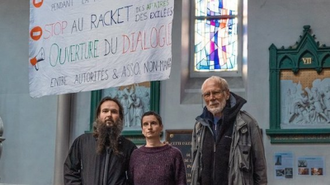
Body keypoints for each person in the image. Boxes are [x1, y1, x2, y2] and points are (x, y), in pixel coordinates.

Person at [191, 76, 267, 185]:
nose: (211, 98)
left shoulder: (246, 123)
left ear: (227, 94)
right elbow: (195, 164)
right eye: (207, 94)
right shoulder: (199, 126)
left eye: (216, 92)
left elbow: (260, 167)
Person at [64, 97, 137, 185]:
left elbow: (135, 176)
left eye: (114, 112)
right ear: (98, 115)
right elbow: (70, 171)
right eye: (105, 111)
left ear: (120, 117)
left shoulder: (129, 147)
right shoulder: (83, 142)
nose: (109, 115)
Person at [128, 111, 187, 185]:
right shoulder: (136, 155)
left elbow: (181, 182)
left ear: (161, 127)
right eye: (145, 124)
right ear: (142, 130)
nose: (149, 127)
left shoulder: (174, 154)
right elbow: (130, 182)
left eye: (153, 123)